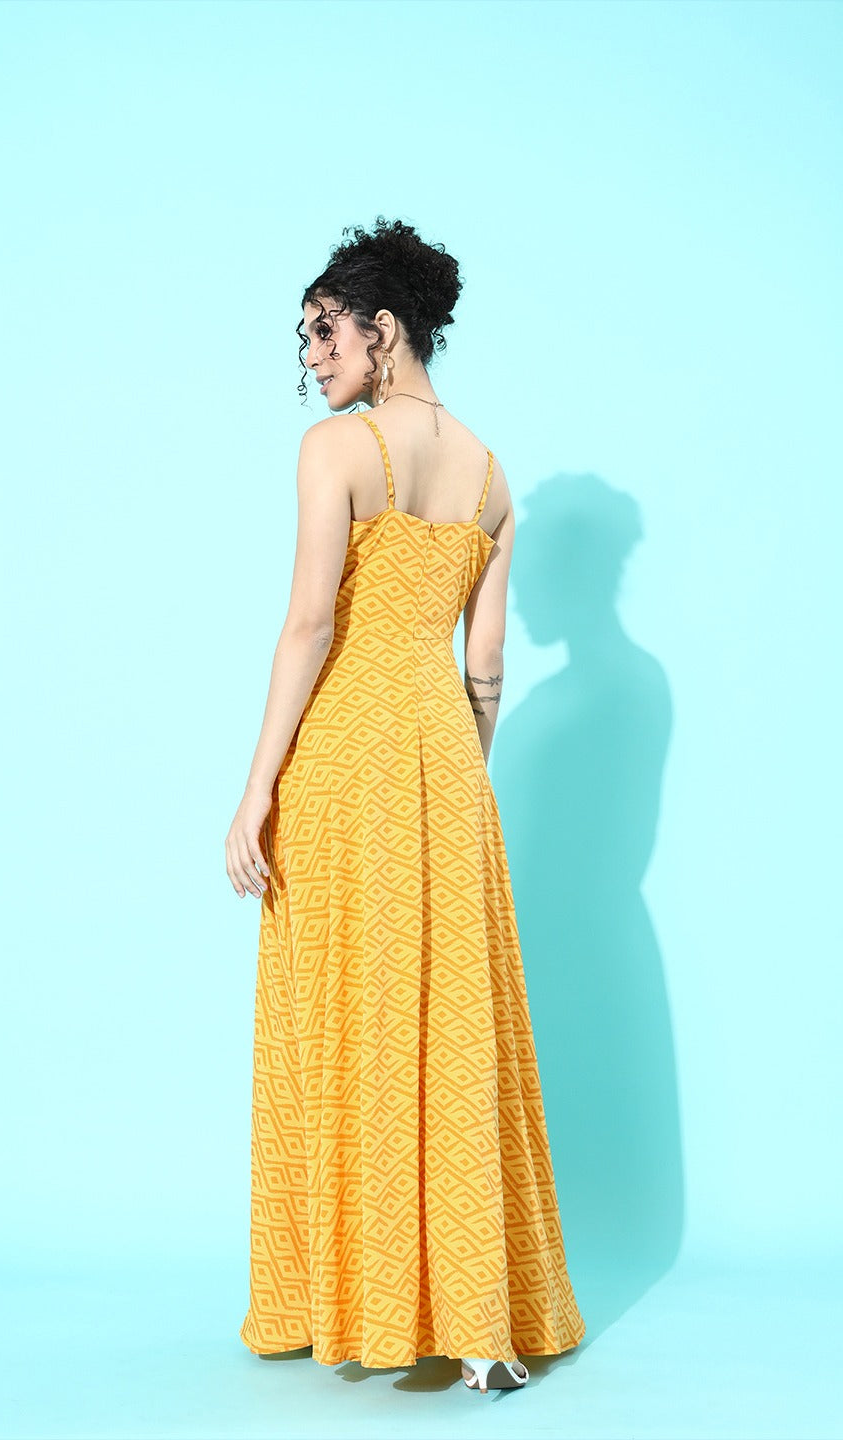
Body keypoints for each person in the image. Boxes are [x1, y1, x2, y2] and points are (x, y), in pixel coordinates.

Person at [225, 216, 586, 1393]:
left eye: (325, 332)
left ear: (385, 330)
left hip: (343, 758)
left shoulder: (336, 450)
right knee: (447, 1024)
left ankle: (361, 1303)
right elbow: (487, 669)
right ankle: (480, 1327)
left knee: (350, 1017)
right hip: (444, 762)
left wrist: (256, 786)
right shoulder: (492, 478)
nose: (311, 357)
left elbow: (308, 626)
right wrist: (457, 781)